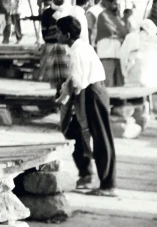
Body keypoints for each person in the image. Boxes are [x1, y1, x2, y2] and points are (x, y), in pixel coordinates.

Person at [55, 15, 117, 197]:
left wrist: (65, 97)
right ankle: (86, 174)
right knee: (73, 131)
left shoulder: (77, 52)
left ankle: (108, 184)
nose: (56, 36)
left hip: (92, 94)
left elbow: (77, 82)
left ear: (66, 35)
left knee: (101, 138)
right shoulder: (80, 47)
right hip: (88, 92)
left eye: (58, 32)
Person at [120, 19, 157, 116]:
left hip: (134, 79)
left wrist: (124, 72)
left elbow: (123, 56)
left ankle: (144, 109)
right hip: (153, 80)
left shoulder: (131, 37)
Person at [26, 0, 70, 92]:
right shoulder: (47, 13)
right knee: (53, 79)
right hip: (52, 47)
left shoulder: (68, 10)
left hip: (66, 48)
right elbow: (45, 35)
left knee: (67, 77)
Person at [96, 0, 128, 86]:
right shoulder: (103, 15)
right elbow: (111, 30)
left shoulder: (118, 17)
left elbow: (125, 32)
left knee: (120, 82)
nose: (117, 6)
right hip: (107, 53)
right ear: (108, 3)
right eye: (114, 3)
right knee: (107, 82)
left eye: (117, 4)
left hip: (119, 53)